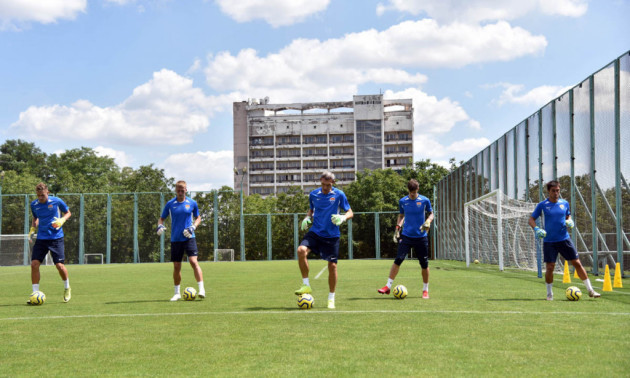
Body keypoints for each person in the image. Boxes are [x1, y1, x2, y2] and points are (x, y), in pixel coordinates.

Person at [528, 180, 600, 300]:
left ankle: (591, 290)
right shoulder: (542, 205)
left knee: (577, 263)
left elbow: (568, 215)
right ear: (548, 191)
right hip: (549, 241)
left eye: (558, 191)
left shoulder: (564, 203)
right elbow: (531, 219)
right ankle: (549, 295)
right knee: (550, 267)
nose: (556, 193)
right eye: (553, 191)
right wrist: (536, 229)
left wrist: (569, 221)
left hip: (564, 239)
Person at [295, 171, 353, 309]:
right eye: (323, 184)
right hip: (315, 232)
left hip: (332, 236)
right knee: (301, 250)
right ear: (320, 182)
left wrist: (343, 217)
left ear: (332, 183)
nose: (325, 187)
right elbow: (311, 210)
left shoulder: (339, 195)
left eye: (327, 185)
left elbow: (351, 212)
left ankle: (331, 298)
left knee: (332, 266)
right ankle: (306, 285)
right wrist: (307, 217)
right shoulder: (314, 194)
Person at [378, 179, 434, 299]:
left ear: (417, 189)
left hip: (421, 237)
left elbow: (431, 213)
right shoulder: (403, 201)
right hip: (407, 235)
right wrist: (398, 226)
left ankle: (425, 290)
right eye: (410, 192)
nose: (412, 194)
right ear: (408, 190)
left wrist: (428, 221)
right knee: (398, 259)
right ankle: (387, 286)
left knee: (424, 264)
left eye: (414, 192)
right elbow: (401, 215)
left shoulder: (425, 200)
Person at [157, 180, 205, 301]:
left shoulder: (192, 203)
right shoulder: (170, 204)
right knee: (177, 266)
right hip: (176, 239)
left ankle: (202, 289)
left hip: (189, 237)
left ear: (186, 190)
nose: (180, 192)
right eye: (178, 190)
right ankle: (177, 293)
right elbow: (161, 218)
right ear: (175, 190)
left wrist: (193, 227)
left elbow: (198, 217)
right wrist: (160, 226)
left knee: (193, 262)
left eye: (182, 190)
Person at [28, 183, 72, 304]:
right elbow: (35, 217)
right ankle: (35, 293)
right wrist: (32, 229)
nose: (40, 198)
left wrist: (62, 220)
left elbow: (68, 212)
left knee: (59, 266)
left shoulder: (57, 201)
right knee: (34, 264)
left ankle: (67, 287)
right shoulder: (34, 204)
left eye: (42, 195)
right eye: (38, 195)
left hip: (56, 238)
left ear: (48, 192)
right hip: (42, 238)